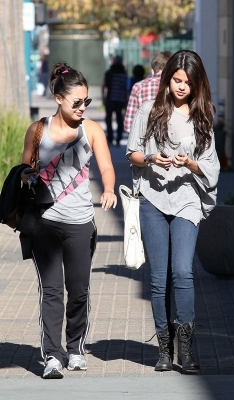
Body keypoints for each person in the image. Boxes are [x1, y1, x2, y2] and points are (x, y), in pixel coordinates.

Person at [21, 61, 117, 379]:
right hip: (45, 223)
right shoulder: (38, 130)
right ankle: (52, 355)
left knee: (79, 291)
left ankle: (75, 348)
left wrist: (110, 188)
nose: (82, 108)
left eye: (86, 101)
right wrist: (29, 178)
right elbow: (24, 170)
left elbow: (105, 166)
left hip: (80, 223)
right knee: (51, 291)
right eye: (77, 102)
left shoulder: (91, 130)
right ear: (59, 98)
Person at [126, 50, 220, 373]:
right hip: (153, 199)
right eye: (176, 80)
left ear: (196, 85)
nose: (181, 87)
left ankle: (187, 351)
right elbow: (133, 153)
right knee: (158, 279)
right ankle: (164, 351)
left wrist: (188, 163)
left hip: (186, 201)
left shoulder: (202, 118)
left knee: (182, 271)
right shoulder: (148, 111)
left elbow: (210, 167)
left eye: (187, 82)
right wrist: (153, 159)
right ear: (167, 79)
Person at [124, 51, 171, 133]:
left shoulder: (138, 86)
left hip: (144, 137)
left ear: (152, 71)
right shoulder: (173, 86)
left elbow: (128, 125)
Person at [102, 55, 127, 146]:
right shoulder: (124, 73)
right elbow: (125, 89)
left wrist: (103, 97)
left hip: (110, 99)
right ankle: (118, 138)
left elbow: (104, 86)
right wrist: (125, 100)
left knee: (109, 119)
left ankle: (111, 138)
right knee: (119, 119)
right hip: (120, 99)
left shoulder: (109, 72)